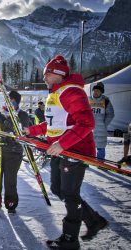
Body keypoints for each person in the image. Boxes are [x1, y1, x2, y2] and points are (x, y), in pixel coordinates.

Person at [23, 55, 107, 249]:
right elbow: (54, 124)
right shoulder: (56, 93)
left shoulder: (71, 92)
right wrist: (32, 130)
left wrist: (63, 144)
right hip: (59, 150)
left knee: (69, 193)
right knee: (58, 189)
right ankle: (94, 221)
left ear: (59, 74)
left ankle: (70, 239)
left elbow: (87, 123)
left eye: (48, 74)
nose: (44, 78)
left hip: (75, 149)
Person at [0, 89, 30, 214]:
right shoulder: (1, 112)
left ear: (16, 102)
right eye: (6, 100)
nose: (8, 103)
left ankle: (11, 204)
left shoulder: (22, 115)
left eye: (10, 100)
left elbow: (19, 132)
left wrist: (3, 120)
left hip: (13, 152)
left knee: (10, 180)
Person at [89, 82, 115, 160]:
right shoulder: (88, 99)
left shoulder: (105, 100)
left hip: (100, 128)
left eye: (98, 91)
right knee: (88, 145)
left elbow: (110, 114)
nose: (96, 92)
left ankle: (100, 162)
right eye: (95, 90)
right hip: (89, 128)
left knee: (100, 146)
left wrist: (104, 124)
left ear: (101, 92)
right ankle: (87, 161)